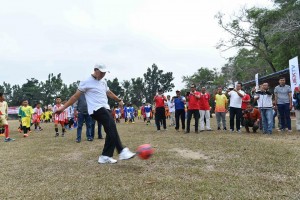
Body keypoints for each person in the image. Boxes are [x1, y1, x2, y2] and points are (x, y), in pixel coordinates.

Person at [55, 64, 135, 164]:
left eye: (104, 73)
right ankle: (121, 150)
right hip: (95, 109)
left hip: (105, 108)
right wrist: (62, 108)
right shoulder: (86, 81)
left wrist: (119, 100)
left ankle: (105, 156)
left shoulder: (103, 82)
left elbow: (109, 92)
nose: (103, 74)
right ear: (95, 70)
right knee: (111, 127)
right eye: (101, 72)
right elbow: (75, 97)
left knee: (111, 129)